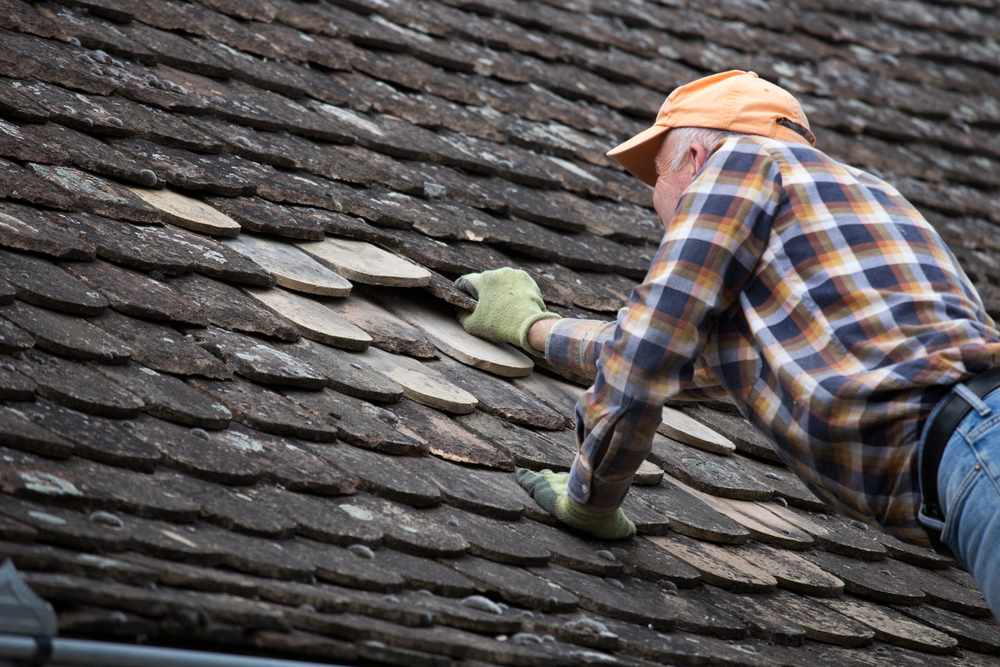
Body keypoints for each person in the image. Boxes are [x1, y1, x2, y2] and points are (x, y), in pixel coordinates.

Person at [455, 70, 1000, 618]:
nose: (660, 212)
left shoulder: (739, 163)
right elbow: (662, 355)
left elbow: (649, 349)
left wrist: (590, 497)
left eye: (658, 184)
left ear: (694, 160)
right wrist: (528, 326)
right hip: (965, 463)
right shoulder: (863, 208)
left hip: (976, 449)